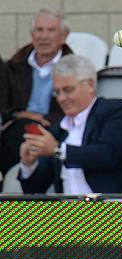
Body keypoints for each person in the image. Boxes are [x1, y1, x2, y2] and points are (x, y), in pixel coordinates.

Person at [18, 55, 122, 194]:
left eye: (68, 90)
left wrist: (58, 150)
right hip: (69, 213)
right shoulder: (59, 128)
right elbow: (35, 190)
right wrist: (28, 164)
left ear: (91, 85)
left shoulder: (115, 111)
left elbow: (108, 155)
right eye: (57, 92)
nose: (61, 98)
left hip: (111, 209)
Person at [0, 8, 72, 175]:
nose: (43, 36)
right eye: (39, 30)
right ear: (32, 35)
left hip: (55, 128)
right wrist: (22, 115)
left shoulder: (73, 68)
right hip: (17, 127)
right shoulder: (14, 66)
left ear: (64, 37)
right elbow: (3, 106)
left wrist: (42, 119)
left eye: (51, 30)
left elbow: (78, 108)